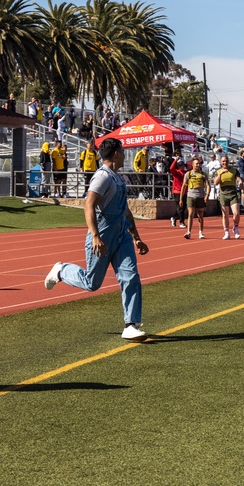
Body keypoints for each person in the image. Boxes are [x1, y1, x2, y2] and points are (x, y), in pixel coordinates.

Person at [43, 137, 149, 342]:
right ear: (116, 154)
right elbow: (89, 205)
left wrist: (136, 238)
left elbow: (125, 210)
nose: (125, 155)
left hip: (121, 236)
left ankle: (131, 325)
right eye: (123, 151)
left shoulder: (117, 178)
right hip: (102, 235)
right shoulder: (102, 177)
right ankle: (62, 270)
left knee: (131, 277)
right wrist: (95, 236)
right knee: (92, 283)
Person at [214, 155, 244, 239]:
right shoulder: (218, 171)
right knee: (225, 215)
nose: (225, 163)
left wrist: (242, 191)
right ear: (221, 162)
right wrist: (220, 174)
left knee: (236, 213)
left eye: (226, 161)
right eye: (223, 161)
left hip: (233, 194)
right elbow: (215, 183)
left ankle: (235, 227)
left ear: (228, 162)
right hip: (223, 194)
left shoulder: (234, 170)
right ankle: (226, 232)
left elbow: (239, 180)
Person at [180, 157, 209, 240]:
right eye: (196, 163)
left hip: (200, 196)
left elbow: (207, 185)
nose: (198, 165)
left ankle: (200, 232)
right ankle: (188, 232)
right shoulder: (188, 174)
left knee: (200, 215)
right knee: (190, 214)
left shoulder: (203, 174)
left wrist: (207, 194)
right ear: (192, 165)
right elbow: (184, 187)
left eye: (199, 163)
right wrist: (181, 199)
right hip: (191, 196)